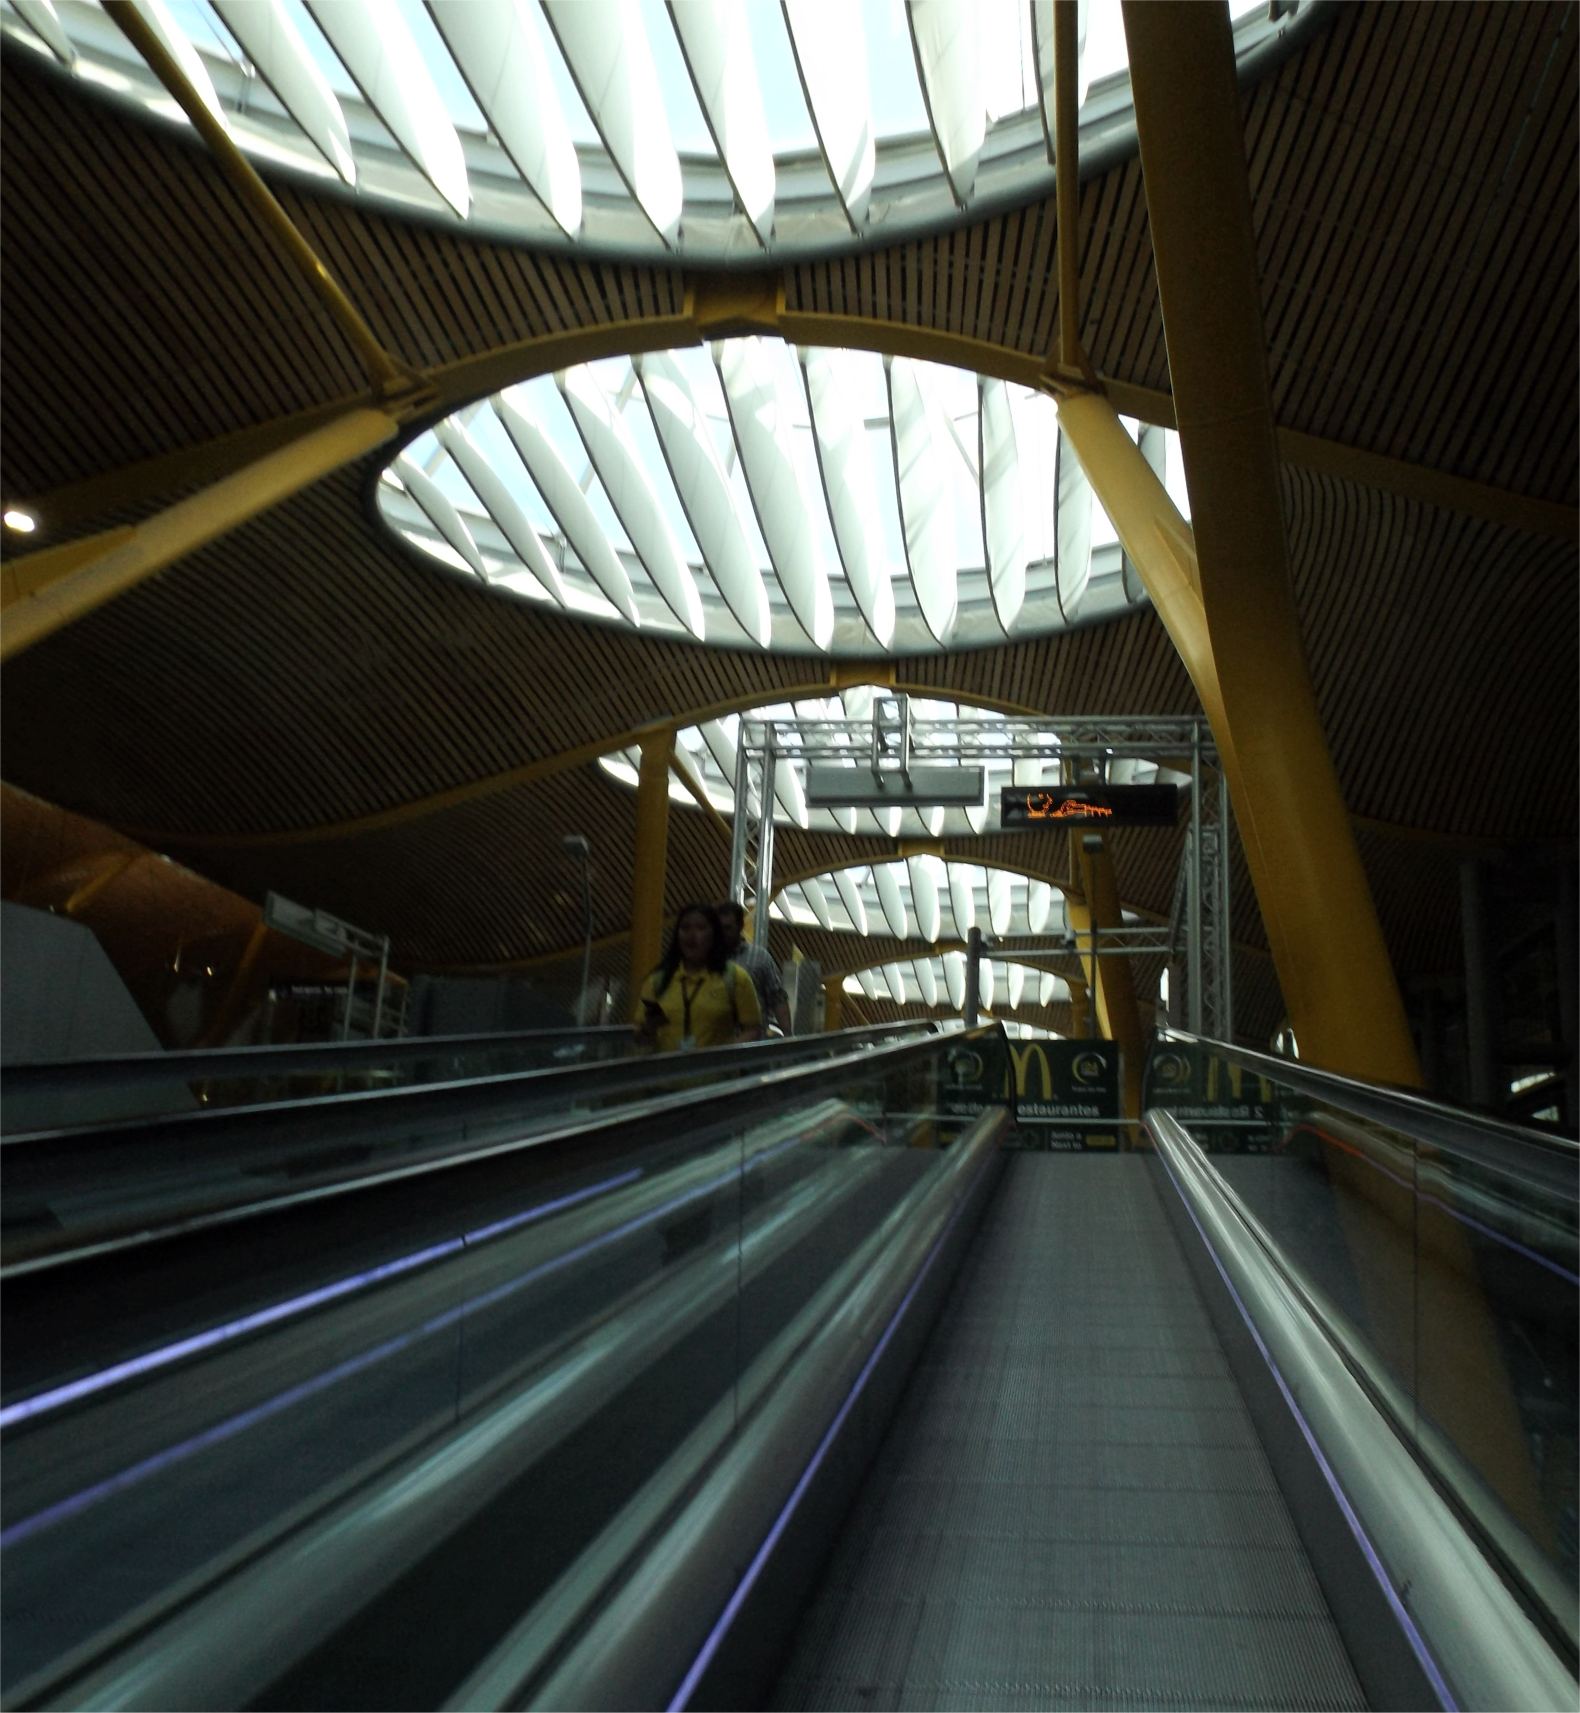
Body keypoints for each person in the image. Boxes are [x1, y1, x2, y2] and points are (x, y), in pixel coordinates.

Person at [634, 903, 762, 1052]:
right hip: (665, 1073)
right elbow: (639, 1035)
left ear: (714, 935)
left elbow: (753, 1029)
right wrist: (647, 1030)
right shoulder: (657, 980)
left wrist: (723, 1056)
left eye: (701, 928)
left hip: (716, 1073)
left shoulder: (735, 978)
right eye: (685, 928)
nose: (691, 935)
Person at [716, 900, 792, 1037]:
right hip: (715, 1041)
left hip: (752, 1042)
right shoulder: (707, 958)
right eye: (719, 928)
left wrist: (787, 1035)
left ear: (740, 926)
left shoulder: (760, 958)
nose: (723, 934)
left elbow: (777, 998)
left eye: (728, 928)